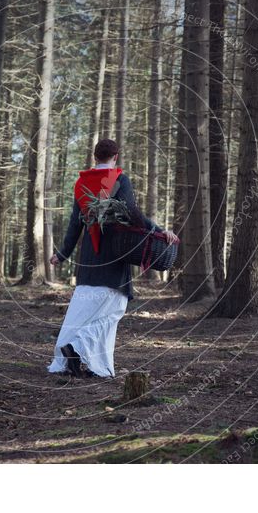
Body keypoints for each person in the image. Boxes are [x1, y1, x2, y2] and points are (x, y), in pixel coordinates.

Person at [47, 139, 176, 378]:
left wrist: (62, 254)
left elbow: (75, 224)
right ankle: (77, 348)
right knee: (114, 310)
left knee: (81, 311)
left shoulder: (81, 183)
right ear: (115, 156)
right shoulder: (118, 179)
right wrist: (159, 231)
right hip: (113, 254)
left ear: (95, 156)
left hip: (88, 256)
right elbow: (132, 213)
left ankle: (83, 362)